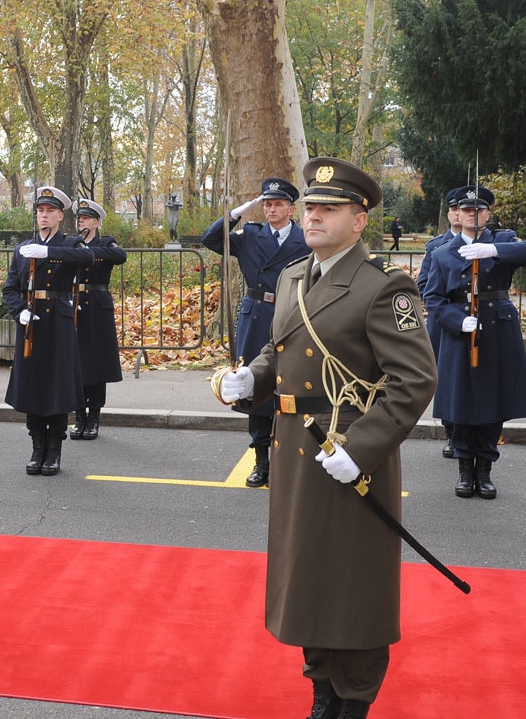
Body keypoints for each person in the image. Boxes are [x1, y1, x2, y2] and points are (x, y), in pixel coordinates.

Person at [216, 157, 436, 719]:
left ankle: (354, 698)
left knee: (354, 579)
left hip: (349, 453)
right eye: (310, 207)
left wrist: (361, 450)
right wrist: (253, 379)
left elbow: (414, 380)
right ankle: (322, 692)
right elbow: (280, 353)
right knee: (307, 573)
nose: (313, 216)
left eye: (328, 209)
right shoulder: (293, 275)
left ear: (359, 221)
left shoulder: (385, 287)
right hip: (296, 452)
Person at [424, 186, 526, 500]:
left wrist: (493, 251)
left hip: (496, 332)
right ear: (457, 214)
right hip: (461, 335)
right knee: (462, 403)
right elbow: (433, 299)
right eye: (466, 210)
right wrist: (456, 320)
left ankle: (485, 471)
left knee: (493, 403)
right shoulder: (442, 253)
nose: (472, 215)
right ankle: (465, 470)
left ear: (488, 213)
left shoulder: (502, 242)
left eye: (478, 210)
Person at [202, 178, 311, 487]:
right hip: (258, 314)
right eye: (267, 204)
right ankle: (261, 460)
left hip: (292, 313)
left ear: (291, 209)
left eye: (278, 204)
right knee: (254, 386)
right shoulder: (250, 235)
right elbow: (210, 240)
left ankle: (289, 459)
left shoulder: (305, 239)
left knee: (292, 384)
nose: (271, 209)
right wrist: (234, 214)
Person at [2, 186, 94, 476]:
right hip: (31, 323)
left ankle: (54, 449)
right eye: (40, 210)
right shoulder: (23, 248)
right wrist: (19, 310)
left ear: (60, 216)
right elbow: (9, 288)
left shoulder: (70, 242)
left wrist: (48, 251)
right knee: (32, 384)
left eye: (50, 211)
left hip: (58, 322)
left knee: (56, 384)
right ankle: (37, 446)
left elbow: (87, 259)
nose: (44, 215)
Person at [70, 197, 126, 441]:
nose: (81, 222)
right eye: (79, 218)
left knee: (96, 365)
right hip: (74, 305)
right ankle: (79, 416)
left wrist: (86, 252)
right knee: (76, 363)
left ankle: (94, 416)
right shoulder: (71, 243)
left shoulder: (105, 242)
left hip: (96, 307)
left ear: (96, 222)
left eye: (85, 218)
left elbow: (119, 255)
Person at [417, 187, 465, 458]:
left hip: (473, 320)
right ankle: (451, 433)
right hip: (443, 321)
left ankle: (471, 433)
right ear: (448, 214)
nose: (458, 214)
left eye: (463, 209)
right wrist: (444, 307)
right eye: (454, 209)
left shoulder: (485, 243)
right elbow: (423, 284)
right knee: (446, 379)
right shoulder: (435, 247)